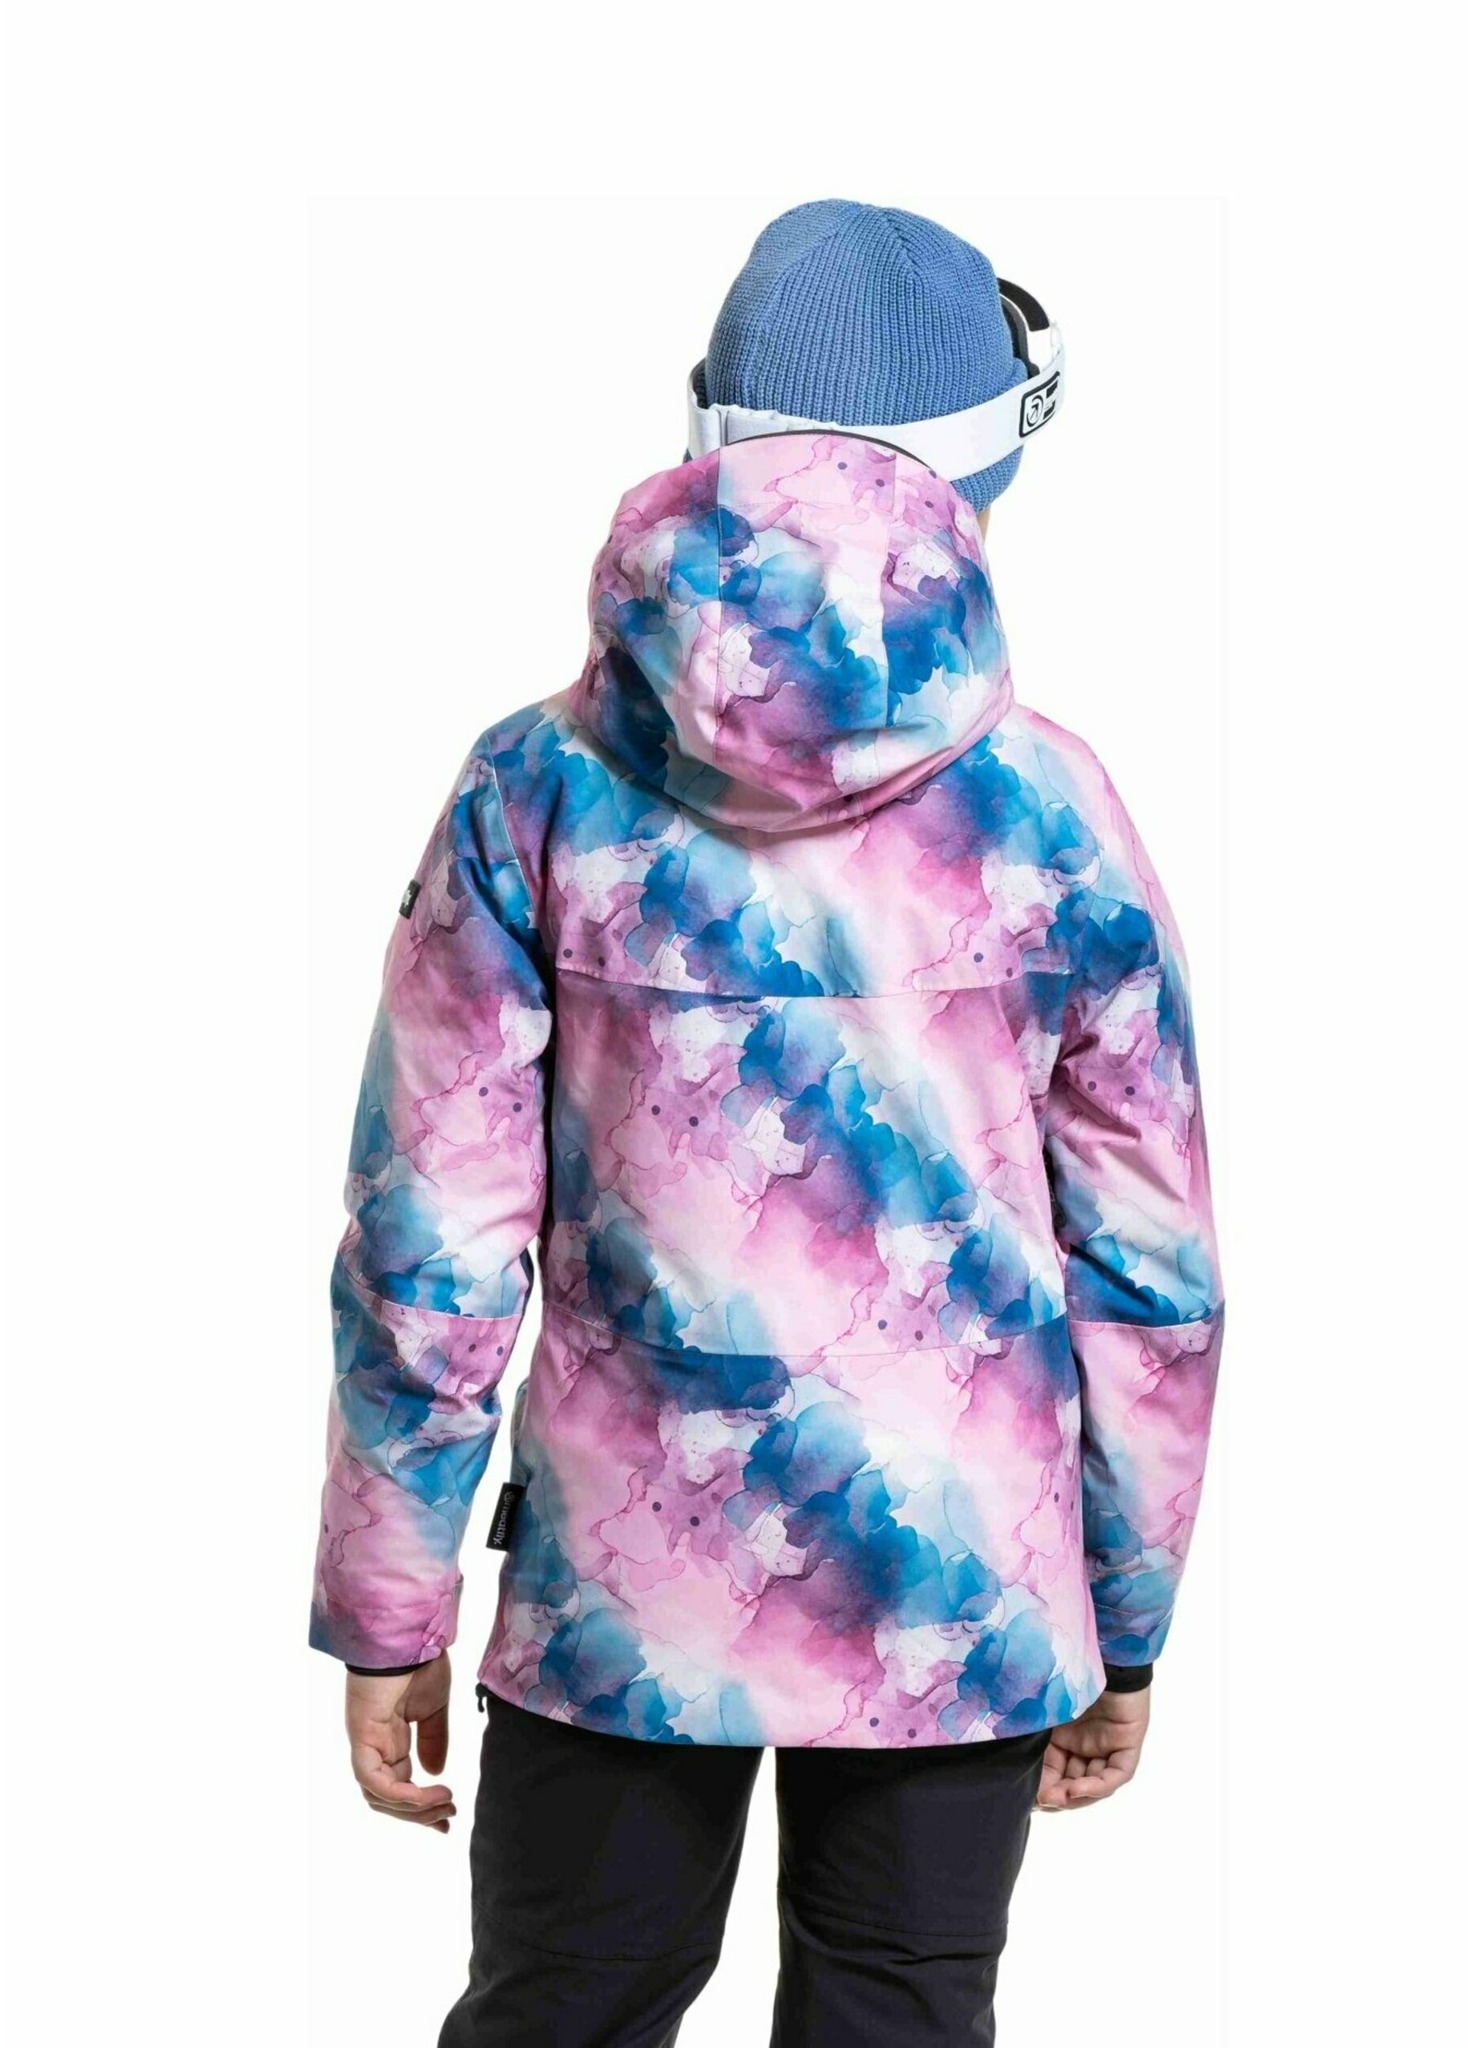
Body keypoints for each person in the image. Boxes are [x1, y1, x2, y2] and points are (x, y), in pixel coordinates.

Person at [310, 199, 1224, 2048]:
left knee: (564, 2013)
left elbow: (431, 1244)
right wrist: (1122, 1614)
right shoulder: (1053, 814)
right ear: (984, 464)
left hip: (619, 1584)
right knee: (896, 2015)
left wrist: (392, 1594)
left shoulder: (535, 787)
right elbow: (1150, 1275)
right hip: (959, 1588)